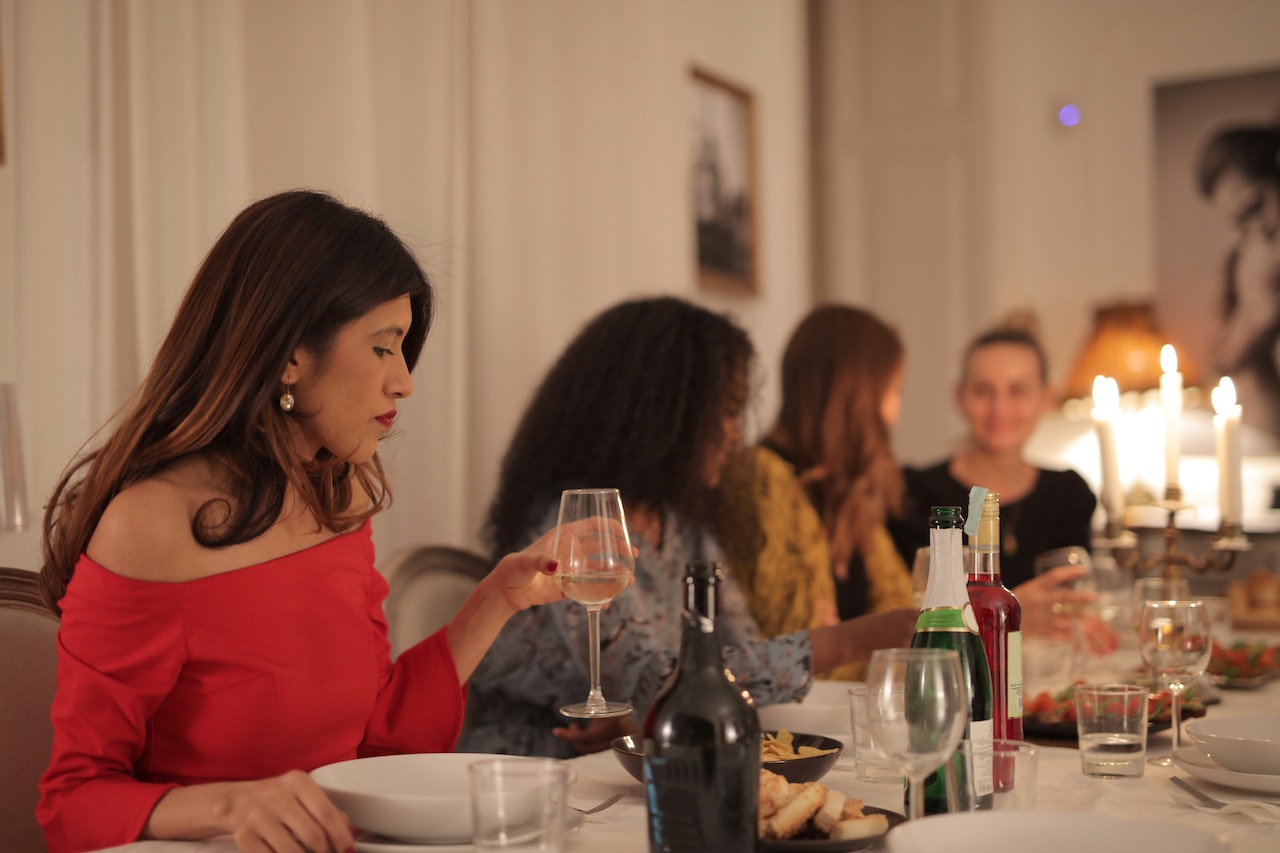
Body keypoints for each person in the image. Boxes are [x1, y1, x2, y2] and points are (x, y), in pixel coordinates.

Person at [35, 190, 584, 853]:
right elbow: (73, 802)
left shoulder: (338, 494)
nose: (405, 381)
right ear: (290, 354)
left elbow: (375, 744)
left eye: (404, 348)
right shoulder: (151, 523)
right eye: (384, 347)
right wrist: (233, 804)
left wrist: (498, 598)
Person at [459, 296, 918, 759]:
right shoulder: (577, 526)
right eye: (725, 410)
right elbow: (651, 681)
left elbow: (737, 653)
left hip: (645, 764)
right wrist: (851, 640)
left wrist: (644, 713)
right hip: (535, 774)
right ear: (662, 415)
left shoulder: (680, 523)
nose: (736, 433)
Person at [891, 322, 1115, 650]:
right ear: (960, 397)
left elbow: (1076, 607)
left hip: (1048, 675)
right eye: (983, 390)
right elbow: (910, 623)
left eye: (1018, 390)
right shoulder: (914, 493)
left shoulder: (1068, 494)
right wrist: (1012, 614)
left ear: (1047, 398)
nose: (1000, 408)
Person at [711, 304, 913, 646]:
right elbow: (790, 651)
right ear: (858, 396)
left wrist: (846, 639)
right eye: (894, 391)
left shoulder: (849, 489)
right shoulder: (760, 480)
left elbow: (906, 620)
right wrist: (860, 643)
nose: (895, 412)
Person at [1197, 124, 1280, 439]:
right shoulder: (1242, 262)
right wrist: (1253, 314)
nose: (1256, 228)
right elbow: (1221, 362)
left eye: (1256, 207)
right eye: (1241, 222)